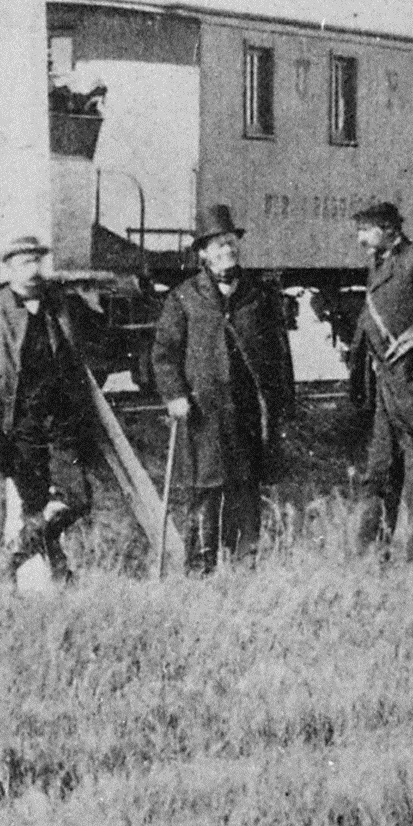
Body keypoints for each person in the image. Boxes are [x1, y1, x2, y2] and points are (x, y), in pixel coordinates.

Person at [0, 230, 106, 578]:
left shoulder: (60, 302)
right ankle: (59, 576)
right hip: (17, 424)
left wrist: (96, 309)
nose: (32, 268)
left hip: (62, 419)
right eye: (23, 262)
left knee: (76, 497)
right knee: (35, 506)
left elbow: (97, 344)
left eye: (36, 260)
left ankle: (12, 557)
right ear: (9, 269)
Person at [152, 203, 296, 574]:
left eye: (230, 243)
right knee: (206, 489)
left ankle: (246, 564)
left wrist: (281, 404)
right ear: (202, 253)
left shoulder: (259, 295)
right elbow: (164, 355)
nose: (226, 250)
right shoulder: (184, 297)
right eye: (217, 245)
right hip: (204, 413)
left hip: (247, 411)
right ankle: (201, 569)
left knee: (247, 487)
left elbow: (279, 353)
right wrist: (175, 395)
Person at [347, 199, 413, 565]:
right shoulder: (380, 263)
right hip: (386, 392)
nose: (360, 239)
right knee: (378, 471)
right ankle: (371, 554)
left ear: (390, 229)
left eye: (366, 230)